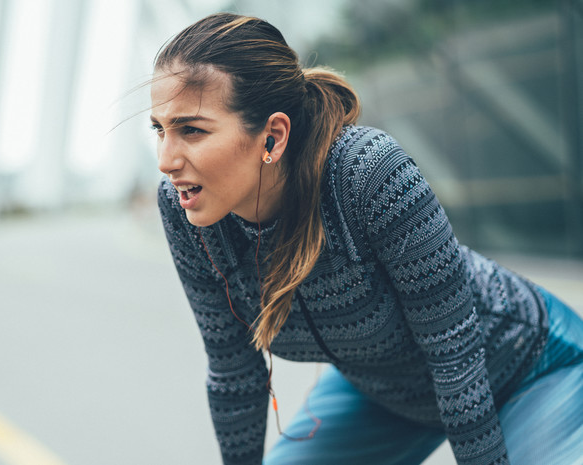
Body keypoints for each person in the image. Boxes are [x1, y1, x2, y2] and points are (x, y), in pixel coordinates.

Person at [151, 13, 583, 465]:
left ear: (273, 137)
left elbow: (454, 354)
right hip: (381, 393)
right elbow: (234, 371)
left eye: (191, 130)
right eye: (159, 129)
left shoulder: (368, 176)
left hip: (523, 368)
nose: (165, 160)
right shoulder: (185, 213)